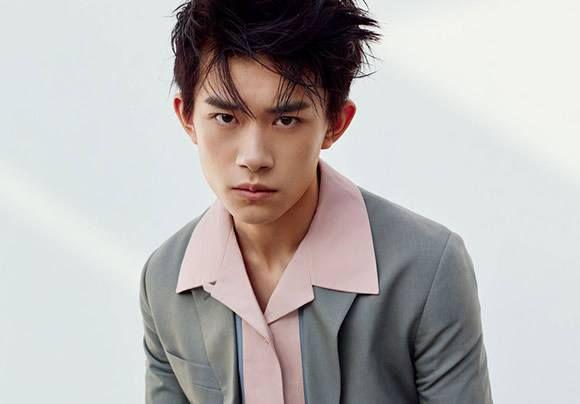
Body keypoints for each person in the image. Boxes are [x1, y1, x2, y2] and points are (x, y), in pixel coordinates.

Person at [139, 0, 493, 403]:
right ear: (187, 118)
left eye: (286, 120)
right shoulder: (164, 280)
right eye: (226, 118)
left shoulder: (426, 269)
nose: (254, 157)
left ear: (335, 124)